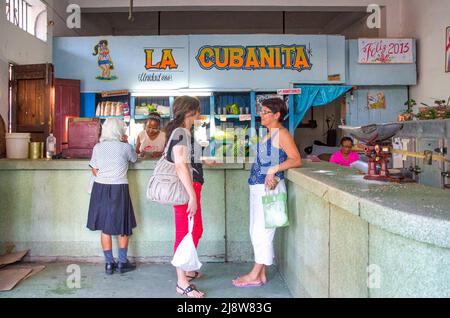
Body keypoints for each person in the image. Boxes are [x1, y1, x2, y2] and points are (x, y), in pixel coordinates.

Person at [232, 98, 302, 287]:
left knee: (263, 232)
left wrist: (274, 170)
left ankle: (255, 274)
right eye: (261, 112)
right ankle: (260, 275)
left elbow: (296, 159)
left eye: (265, 112)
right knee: (256, 231)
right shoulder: (268, 134)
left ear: (277, 115)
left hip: (269, 188)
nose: (261, 115)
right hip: (257, 186)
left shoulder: (282, 134)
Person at [164, 96, 205, 298]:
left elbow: (187, 161)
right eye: (198, 110)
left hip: (191, 187)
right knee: (184, 233)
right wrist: (192, 196)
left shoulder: (185, 132)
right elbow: (180, 165)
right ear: (191, 112)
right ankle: (181, 282)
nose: (200, 114)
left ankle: (187, 269)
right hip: (185, 190)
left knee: (195, 229)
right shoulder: (180, 132)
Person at [87, 118, 138, 275]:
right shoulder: (125, 147)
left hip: (100, 188)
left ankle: (109, 264)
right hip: (119, 188)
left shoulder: (98, 147)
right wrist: (126, 142)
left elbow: (94, 169)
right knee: (123, 226)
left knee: (105, 227)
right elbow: (135, 159)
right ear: (120, 131)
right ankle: (122, 262)